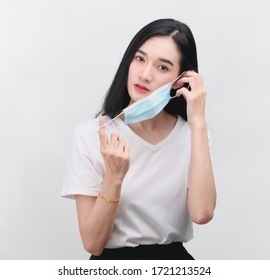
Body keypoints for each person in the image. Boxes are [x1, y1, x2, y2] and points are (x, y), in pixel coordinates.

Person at [62, 18, 216, 260]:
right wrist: (114, 177)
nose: (145, 75)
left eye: (162, 67)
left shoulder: (193, 136)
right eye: (140, 59)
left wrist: (198, 122)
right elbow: (93, 243)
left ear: (181, 80)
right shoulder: (90, 136)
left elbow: (202, 213)